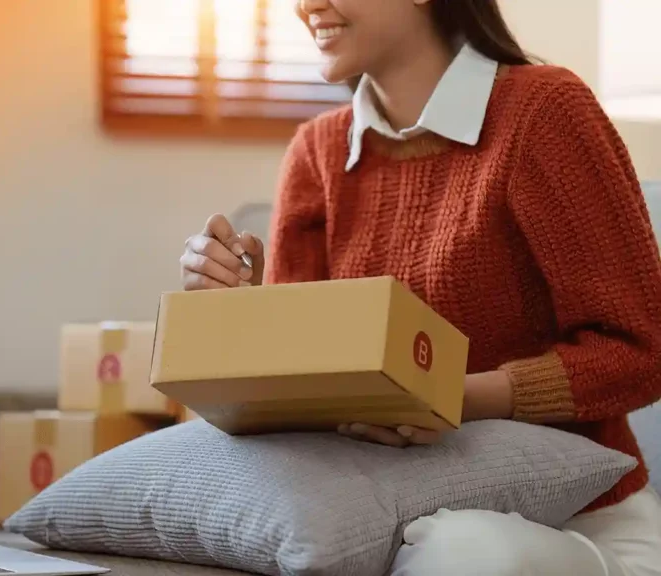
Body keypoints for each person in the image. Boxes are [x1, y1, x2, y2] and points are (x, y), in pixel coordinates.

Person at [179, 0, 661, 574]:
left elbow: (641, 350)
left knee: (460, 552)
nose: (306, 5)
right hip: (392, 512)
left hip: (575, 527)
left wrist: (452, 398)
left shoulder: (544, 111)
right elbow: (304, 398)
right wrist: (236, 314)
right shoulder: (317, 152)